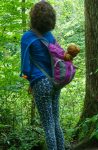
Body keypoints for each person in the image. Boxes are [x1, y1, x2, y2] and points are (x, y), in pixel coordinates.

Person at [20, 1, 65, 150]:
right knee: (56, 122)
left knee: (48, 125)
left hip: (40, 83)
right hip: (55, 82)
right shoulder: (50, 36)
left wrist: (29, 82)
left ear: (33, 17)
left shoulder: (27, 37)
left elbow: (25, 69)